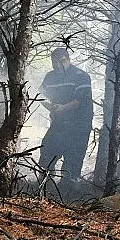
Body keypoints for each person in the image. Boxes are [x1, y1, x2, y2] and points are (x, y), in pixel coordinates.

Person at [38, 48, 93, 181]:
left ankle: (69, 188)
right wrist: (50, 106)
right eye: (53, 62)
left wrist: (62, 108)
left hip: (79, 125)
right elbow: (40, 95)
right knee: (47, 150)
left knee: (73, 156)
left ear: (66, 60)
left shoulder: (81, 75)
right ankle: (45, 183)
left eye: (58, 62)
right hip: (59, 123)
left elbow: (80, 101)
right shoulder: (50, 76)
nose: (55, 65)